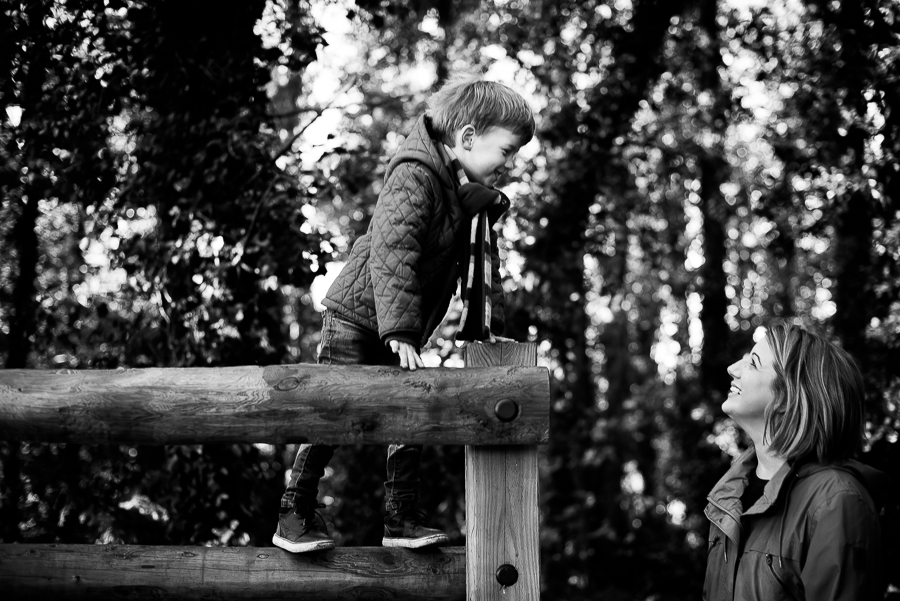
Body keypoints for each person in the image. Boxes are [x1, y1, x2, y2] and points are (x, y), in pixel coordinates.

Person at [272, 74, 536, 553]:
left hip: (400, 326)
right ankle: (294, 511)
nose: (509, 163)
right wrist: (401, 330)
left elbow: (460, 260)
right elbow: (394, 251)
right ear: (469, 137)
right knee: (334, 410)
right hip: (359, 316)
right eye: (507, 150)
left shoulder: (455, 184)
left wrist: (483, 211)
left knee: (412, 413)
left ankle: (400, 518)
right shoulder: (414, 173)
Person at [703, 320, 888, 600]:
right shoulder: (728, 496)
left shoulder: (838, 502)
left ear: (789, 397)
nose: (732, 369)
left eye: (752, 363)